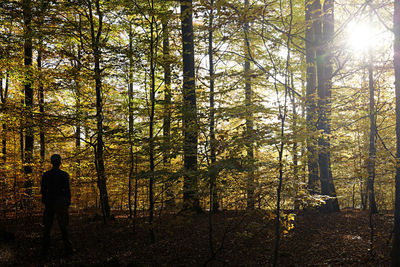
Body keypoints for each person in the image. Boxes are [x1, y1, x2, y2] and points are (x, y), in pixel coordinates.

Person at [40, 154, 72, 257]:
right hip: (61, 202)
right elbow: (67, 190)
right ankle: (68, 249)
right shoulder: (64, 175)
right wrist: (68, 201)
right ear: (60, 162)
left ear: (51, 162)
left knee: (47, 226)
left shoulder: (46, 175)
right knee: (63, 226)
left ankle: (44, 250)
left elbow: (43, 190)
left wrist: (45, 200)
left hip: (50, 202)